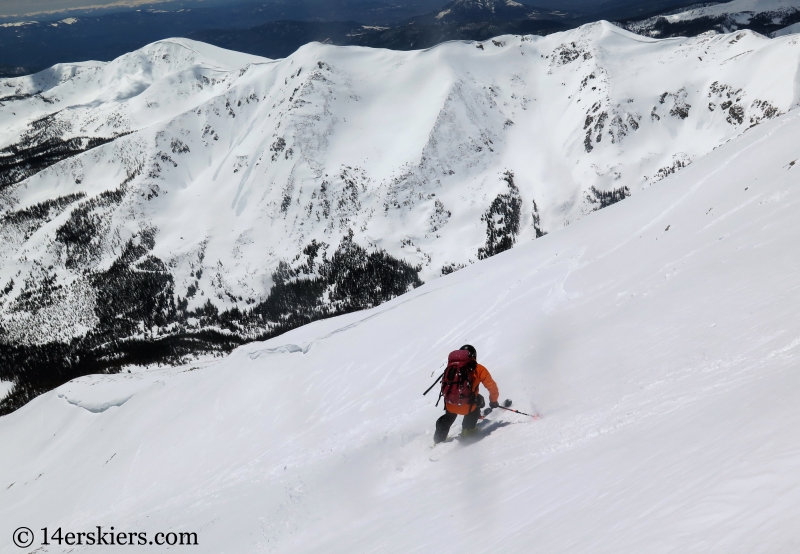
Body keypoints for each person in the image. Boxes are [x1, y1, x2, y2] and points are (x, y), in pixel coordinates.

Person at [433, 344, 499, 444]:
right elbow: (492, 387)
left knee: (448, 417)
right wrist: (493, 401)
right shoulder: (479, 369)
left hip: (450, 404)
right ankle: (467, 431)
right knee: (478, 400)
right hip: (468, 406)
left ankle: (439, 439)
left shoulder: (452, 367)